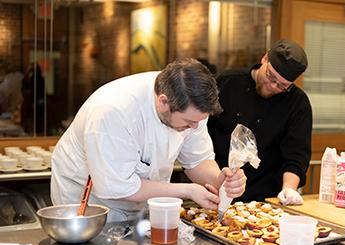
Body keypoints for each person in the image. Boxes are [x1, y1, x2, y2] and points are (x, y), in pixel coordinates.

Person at [51, 58, 246, 222]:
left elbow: (197, 160)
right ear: (163, 102)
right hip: (90, 200)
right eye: (189, 122)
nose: (194, 127)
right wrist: (188, 191)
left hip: (144, 198)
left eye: (198, 122)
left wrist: (220, 180)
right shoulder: (113, 112)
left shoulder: (190, 105)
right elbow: (118, 187)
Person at [208, 39, 311, 205]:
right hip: (216, 189)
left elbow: (296, 157)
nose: (272, 86)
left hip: (265, 200)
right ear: (264, 59)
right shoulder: (228, 83)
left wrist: (289, 189)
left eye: (282, 86)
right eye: (270, 76)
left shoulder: (297, 103)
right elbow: (202, 136)